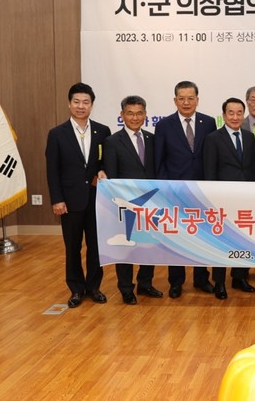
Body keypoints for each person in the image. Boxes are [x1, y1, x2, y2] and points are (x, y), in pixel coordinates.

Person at [46, 82, 111, 308]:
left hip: (96, 200)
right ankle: (76, 289)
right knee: (72, 247)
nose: (81, 106)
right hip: (69, 201)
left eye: (86, 102)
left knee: (96, 246)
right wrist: (57, 199)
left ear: (92, 105)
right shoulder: (57, 134)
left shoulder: (103, 131)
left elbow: (105, 161)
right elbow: (52, 170)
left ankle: (94, 287)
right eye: (76, 102)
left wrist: (102, 170)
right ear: (69, 103)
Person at [154, 81, 218, 299]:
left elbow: (212, 156)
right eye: (181, 98)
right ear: (175, 101)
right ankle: (176, 282)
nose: (186, 102)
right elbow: (160, 160)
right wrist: (166, 187)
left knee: (203, 237)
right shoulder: (164, 125)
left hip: (202, 191)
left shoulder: (208, 123)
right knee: (177, 237)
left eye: (190, 98)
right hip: (175, 191)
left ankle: (201, 278)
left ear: (197, 100)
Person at [103, 95, 163, 305]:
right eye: (130, 113)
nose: (135, 118)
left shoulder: (152, 139)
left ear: (145, 115)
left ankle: (145, 283)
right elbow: (111, 176)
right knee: (125, 246)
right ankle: (126, 288)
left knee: (149, 244)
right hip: (125, 204)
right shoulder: (112, 141)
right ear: (122, 115)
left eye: (139, 113)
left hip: (151, 202)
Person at [203, 97, 255, 300]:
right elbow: (209, 171)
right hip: (221, 200)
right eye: (231, 113)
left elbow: (253, 167)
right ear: (224, 115)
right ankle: (219, 282)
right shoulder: (213, 138)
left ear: (244, 115)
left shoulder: (249, 137)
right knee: (222, 241)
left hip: (245, 199)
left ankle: (239, 277)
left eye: (239, 113)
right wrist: (212, 199)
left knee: (243, 240)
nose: (235, 117)